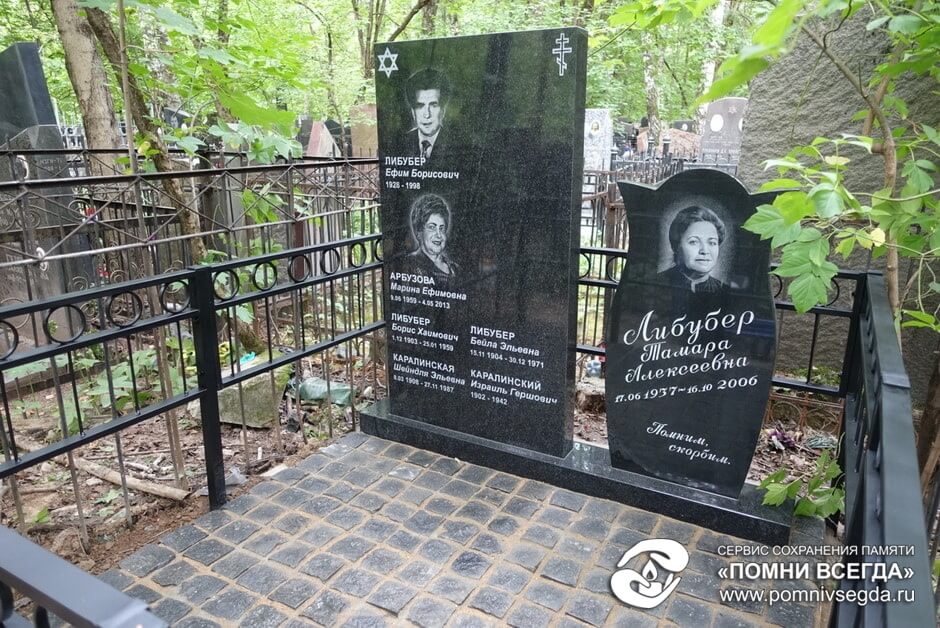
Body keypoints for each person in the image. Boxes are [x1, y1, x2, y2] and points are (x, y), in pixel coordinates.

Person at [658, 205, 727, 293]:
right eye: (694, 242)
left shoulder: (725, 292)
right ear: (676, 246)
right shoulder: (654, 285)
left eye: (712, 243)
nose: (704, 251)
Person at [403, 194, 458, 278]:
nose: (439, 235)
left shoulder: (455, 268)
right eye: (432, 227)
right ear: (418, 232)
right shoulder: (408, 264)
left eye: (441, 228)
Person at [403, 68, 451, 161]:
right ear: (413, 112)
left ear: (443, 110)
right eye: (420, 106)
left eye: (433, 105)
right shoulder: (399, 142)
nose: (427, 115)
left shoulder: (457, 143)